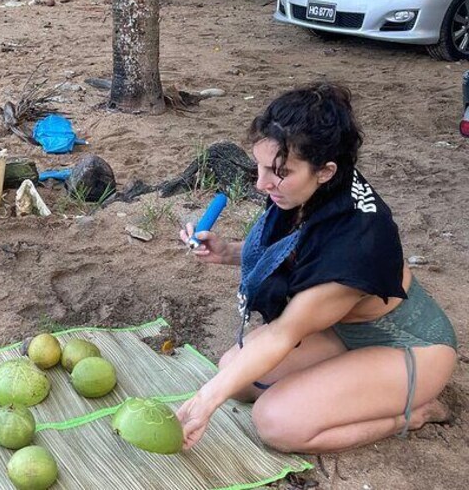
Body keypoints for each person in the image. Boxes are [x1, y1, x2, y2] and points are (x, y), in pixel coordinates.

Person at [177, 83, 457, 453]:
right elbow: (293, 249)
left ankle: (416, 412)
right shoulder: (310, 187)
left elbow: (283, 334)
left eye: (278, 172)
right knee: (235, 371)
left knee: (276, 423)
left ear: (325, 171)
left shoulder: (355, 243)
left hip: (410, 347)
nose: (262, 184)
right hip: (341, 328)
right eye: (260, 166)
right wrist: (228, 251)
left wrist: (203, 402)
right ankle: (346, 381)